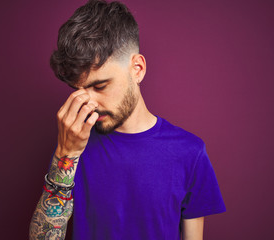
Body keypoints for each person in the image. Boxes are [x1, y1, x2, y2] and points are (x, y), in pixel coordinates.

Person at [29, 0, 226, 239]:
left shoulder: (189, 152)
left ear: (137, 68)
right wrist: (65, 155)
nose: (89, 104)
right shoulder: (73, 146)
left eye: (100, 86)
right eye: (78, 91)